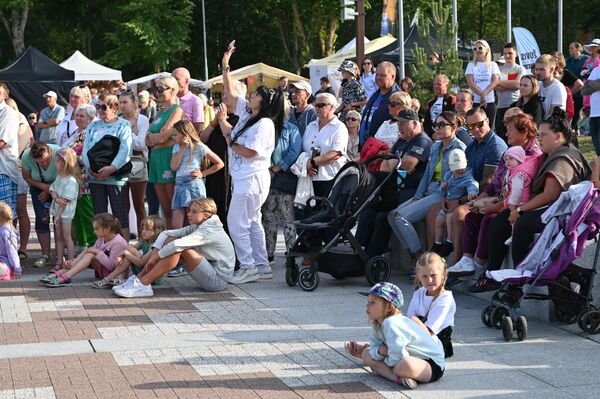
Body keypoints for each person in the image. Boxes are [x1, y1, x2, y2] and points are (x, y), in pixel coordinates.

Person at [473, 109, 590, 292]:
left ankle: (518, 282)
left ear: (558, 136)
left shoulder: (563, 158)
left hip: (561, 212)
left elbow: (550, 195)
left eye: (544, 135)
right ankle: (492, 273)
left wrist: (520, 210)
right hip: (548, 207)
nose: (539, 138)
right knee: (499, 222)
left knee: (522, 224)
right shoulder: (551, 153)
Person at [219, 45, 285, 284]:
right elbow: (230, 92)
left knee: (236, 222)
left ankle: (247, 265)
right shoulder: (248, 114)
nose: (251, 97)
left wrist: (228, 138)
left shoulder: (264, 123)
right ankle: (261, 264)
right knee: (253, 220)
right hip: (246, 178)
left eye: (256, 95)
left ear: (264, 102)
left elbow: (249, 151)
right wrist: (226, 66)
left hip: (252, 178)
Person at [448, 112, 541, 280]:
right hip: (502, 198)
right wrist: (479, 199)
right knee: (471, 215)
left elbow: (521, 191)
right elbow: (495, 183)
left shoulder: (532, 156)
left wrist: (496, 205)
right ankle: (467, 260)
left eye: (510, 130)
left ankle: (480, 265)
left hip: (517, 205)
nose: (506, 134)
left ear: (524, 132)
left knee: (490, 219)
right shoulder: (510, 151)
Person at [113, 198, 235, 298]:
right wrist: (155, 253)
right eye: (189, 210)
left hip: (218, 280)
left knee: (179, 247)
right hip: (209, 271)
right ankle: (139, 280)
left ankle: (143, 284)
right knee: (171, 240)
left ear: (206, 215)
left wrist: (155, 257)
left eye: (194, 212)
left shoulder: (208, 229)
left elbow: (177, 245)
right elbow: (166, 233)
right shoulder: (199, 225)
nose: (189, 214)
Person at [388, 112, 465, 266]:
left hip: (442, 193)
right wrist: (418, 195)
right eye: (436, 125)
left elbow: (459, 177)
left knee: (400, 216)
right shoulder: (436, 146)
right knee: (391, 215)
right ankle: (415, 254)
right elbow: (428, 173)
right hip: (429, 189)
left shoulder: (460, 148)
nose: (437, 128)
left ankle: (420, 258)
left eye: (442, 125)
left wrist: (448, 197)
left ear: (454, 127)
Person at [436, 107, 507, 266]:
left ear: (487, 121)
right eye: (470, 126)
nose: (476, 129)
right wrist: (449, 197)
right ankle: (434, 258)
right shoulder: (472, 146)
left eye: (479, 124)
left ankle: (459, 262)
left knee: (460, 213)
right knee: (434, 211)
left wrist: (461, 201)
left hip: (490, 196)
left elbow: (488, 182)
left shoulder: (495, 146)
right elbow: (460, 175)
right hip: (469, 192)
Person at [357, 109, 432, 258]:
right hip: (397, 187)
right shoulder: (402, 140)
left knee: (383, 218)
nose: (399, 127)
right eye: (398, 123)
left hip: (413, 190)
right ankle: (358, 249)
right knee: (367, 213)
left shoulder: (422, 140)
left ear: (415, 123)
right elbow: (386, 163)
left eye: (403, 123)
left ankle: (372, 256)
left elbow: (408, 164)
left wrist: (399, 166)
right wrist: (399, 167)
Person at [344, 282, 445, 390]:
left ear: (388, 307)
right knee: (366, 354)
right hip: (405, 358)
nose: (367, 306)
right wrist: (380, 351)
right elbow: (374, 347)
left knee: (402, 366)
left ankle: (388, 372)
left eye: (372, 302)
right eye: (368, 301)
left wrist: (381, 361)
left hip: (431, 365)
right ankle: (399, 379)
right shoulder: (377, 323)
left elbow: (398, 357)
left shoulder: (391, 323)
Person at [83, 94, 133, 241]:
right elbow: (86, 148)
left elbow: (125, 150)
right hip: (95, 177)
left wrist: (112, 168)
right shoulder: (93, 125)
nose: (100, 110)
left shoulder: (123, 125)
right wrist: (90, 168)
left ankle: (125, 252)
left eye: (103, 107)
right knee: (99, 216)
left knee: (120, 215)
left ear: (114, 108)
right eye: (98, 106)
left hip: (116, 177)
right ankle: (103, 251)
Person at [42, 213, 128, 287]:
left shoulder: (118, 242)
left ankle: (66, 277)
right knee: (89, 252)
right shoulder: (102, 238)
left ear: (108, 229)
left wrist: (97, 252)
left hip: (112, 275)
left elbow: (111, 266)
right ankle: (62, 272)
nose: (94, 231)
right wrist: (73, 262)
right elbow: (88, 251)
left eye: (96, 229)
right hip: (103, 270)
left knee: (91, 253)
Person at [262, 102, 302, 263]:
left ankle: (291, 252)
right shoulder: (265, 129)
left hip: (285, 178)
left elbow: (294, 151)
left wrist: (277, 168)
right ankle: (269, 252)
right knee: (268, 216)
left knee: (288, 217)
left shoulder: (292, 129)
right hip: (267, 178)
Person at [145, 76, 184, 228]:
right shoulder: (161, 111)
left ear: (173, 90)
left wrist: (155, 137)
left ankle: (176, 243)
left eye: (161, 89)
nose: (157, 92)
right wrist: (156, 137)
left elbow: (161, 137)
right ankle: (169, 240)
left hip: (168, 156)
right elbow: (146, 139)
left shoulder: (177, 110)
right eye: (156, 89)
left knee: (173, 207)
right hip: (156, 158)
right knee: (165, 209)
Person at [170, 119, 224, 228]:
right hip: (179, 184)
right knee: (176, 224)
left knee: (195, 221)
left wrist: (202, 174)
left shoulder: (199, 146)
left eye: (175, 135)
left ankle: (195, 244)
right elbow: (173, 167)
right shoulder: (176, 147)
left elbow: (219, 163)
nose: (173, 137)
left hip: (192, 184)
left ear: (184, 133)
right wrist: (182, 149)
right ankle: (181, 244)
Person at [92, 215, 165, 288]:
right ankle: (118, 278)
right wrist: (121, 255)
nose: (143, 232)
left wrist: (125, 253)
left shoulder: (156, 246)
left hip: (152, 276)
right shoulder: (144, 241)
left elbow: (141, 263)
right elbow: (128, 248)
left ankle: (109, 279)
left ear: (156, 231)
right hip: (143, 271)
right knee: (129, 249)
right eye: (143, 229)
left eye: (147, 229)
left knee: (128, 255)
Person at [407, 253, 456, 358]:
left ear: (443, 274)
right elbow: (409, 320)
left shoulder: (445, 298)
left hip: (436, 342)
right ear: (419, 276)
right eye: (424, 276)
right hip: (418, 336)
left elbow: (430, 330)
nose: (429, 280)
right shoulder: (419, 293)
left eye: (433, 275)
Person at [432, 149, 479, 257]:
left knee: (449, 218)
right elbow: (441, 191)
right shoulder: (449, 175)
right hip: (448, 203)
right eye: (455, 168)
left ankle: (449, 241)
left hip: (457, 204)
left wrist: (472, 193)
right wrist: (443, 189)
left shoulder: (467, 177)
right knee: (439, 219)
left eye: (460, 168)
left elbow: (472, 185)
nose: (458, 171)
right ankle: (437, 243)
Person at [22, 142, 60, 267]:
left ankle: (59, 255)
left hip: (59, 185)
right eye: (39, 162)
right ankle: (45, 255)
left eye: (46, 160)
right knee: (41, 218)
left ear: (50, 151)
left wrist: (49, 189)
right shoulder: (27, 156)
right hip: (38, 186)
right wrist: (45, 188)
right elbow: (27, 177)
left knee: (59, 220)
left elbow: (67, 173)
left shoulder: (59, 152)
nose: (44, 164)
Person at [4, 98, 33, 259]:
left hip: (18, 169)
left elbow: (20, 147)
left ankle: (22, 247)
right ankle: (11, 246)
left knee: (20, 211)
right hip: (9, 169)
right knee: (9, 212)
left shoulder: (19, 121)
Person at [119, 90, 150, 234]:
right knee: (123, 205)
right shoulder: (118, 120)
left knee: (139, 204)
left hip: (138, 163)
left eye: (125, 102)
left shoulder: (142, 119)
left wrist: (127, 131)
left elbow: (141, 144)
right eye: (120, 102)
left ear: (134, 103)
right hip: (120, 164)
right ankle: (123, 241)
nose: (122, 106)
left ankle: (143, 240)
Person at [68, 104, 98, 248]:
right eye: (77, 115)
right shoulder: (77, 132)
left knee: (87, 212)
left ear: (90, 118)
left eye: (82, 116)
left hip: (86, 178)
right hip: (75, 177)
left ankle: (93, 243)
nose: (78, 118)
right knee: (77, 213)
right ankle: (81, 242)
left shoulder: (91, 132)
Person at [49, 148, 79, 272]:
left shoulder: (71, 181)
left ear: (65, 162)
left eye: (57, 161)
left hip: (65, 214)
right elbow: (52, 189)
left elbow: (65, 202)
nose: (55, 163)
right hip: (58, 211)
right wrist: (55, 198)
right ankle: (59, 260)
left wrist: (57, 215)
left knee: (67, 236)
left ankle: (70, 261)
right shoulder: (60, 177)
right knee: (59, 237)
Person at [359, 61, 401, 144]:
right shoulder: (376, 94)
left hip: (382, 149)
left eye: (383, 75)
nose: (378, 78)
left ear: (393, 77)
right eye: (377, 74)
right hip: (366, 146)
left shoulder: (397, 97)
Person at [494, 43, 526, 140]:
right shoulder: (498, 69)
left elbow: (517, 84)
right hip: (500, 107)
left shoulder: (520, 69)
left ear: (516, 54)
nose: (507, 56)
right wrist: (509, 85)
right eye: (505, 53)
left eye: (510, 53)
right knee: (501, 136)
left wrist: (499, 82)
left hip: (515, 106)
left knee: (514, 135)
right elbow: (494, 86)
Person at [465, 40, 500, 128]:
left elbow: (495, 81)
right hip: (475, 101)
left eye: (480, 48)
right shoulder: (471, 65)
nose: (477, 50)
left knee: (488, 126)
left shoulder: (493, 65)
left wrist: (484, 94)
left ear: (487, 50)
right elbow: (470, 82)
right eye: (475, 49)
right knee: (474, 126)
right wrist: (481, 95)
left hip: (489, 101)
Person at [0, 84, 19, 223]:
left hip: (3, 171)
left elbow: (2, 142)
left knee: (5, 215)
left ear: (5, 95)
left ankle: (8, 244)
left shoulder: (8, 113)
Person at [172, 67, 204, 132]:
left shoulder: (195, 101)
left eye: (176, 79)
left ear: (186, 81)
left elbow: (198, 128)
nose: (173, 82)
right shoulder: (170, 100)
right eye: (171, 79)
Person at [566, 42, 590, 130]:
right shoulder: (568, 60)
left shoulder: (586, 59)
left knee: (582, 110)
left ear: (578, 48)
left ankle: (581, 128)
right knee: (573, 110)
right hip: (572, 89)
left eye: (571, 48)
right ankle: (574, 128)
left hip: (583, 90)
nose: (569, 50)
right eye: (569, 48)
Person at [581, 55, 600, 155]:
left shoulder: (593, 73)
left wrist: (590, 82)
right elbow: (584, 91)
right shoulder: (595, 70)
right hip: (594, 115)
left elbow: (588, 85)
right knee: (597, 149)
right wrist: (596, 83)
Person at [0, 202, 20, 281]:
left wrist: (17, 269)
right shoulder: (3, 230)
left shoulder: (6, 233)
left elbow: (12, 253)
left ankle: (6, 273)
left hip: (5, 263)